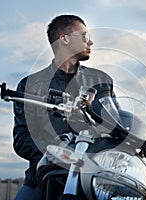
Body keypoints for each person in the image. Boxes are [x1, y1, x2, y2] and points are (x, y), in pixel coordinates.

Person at [12, 14, 115, 199]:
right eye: (84, 36)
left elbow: (116, 127)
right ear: (64, 39)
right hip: (43, 178)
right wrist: (59, 155)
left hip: (94, 178)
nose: (91, 42)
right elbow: (22, 139)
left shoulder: (102, 82)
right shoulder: (30, 85)